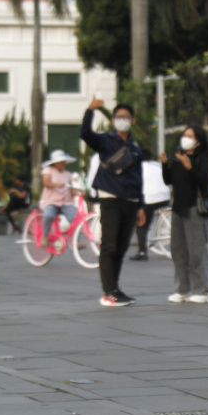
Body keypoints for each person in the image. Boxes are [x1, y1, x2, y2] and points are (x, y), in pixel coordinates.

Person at [80, 97, 146, 307]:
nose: (122, 120)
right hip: (110, 198)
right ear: (113, 120)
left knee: (121, 246)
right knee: (109, 245)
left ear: (133, 120)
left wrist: (141, 204)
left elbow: (138, 177)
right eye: (118, 117)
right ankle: (108, 291)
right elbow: (85, 134)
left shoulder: (134, 148)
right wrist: (90, 111)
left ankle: (115, 288)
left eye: (126, 117)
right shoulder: (105, 141)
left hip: (131, 200)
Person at [161, 125, 208, 304]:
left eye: (190, 136)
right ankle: (183, 289)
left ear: (198, 141)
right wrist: (164, 164)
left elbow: (204, 180)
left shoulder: (201, 158)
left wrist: (189, 167)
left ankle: (203, 291)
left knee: (197, 251)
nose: (186, 138)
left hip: (195, 209)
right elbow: (168, 180)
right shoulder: (178, 157)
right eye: (184, 135)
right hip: (178, 208)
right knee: (178, 251)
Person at [130, 149, 171, 262]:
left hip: (150, 199)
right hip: (165, 197)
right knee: (150, 218)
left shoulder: (138, 168)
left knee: (141, 224)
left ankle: (142, 252)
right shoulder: (156, 165)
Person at [38, 150, 78, 250]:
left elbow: (71, 189)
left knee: (76, 218)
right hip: (51, 201)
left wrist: (77, 193)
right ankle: (45, 236)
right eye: (60, 162)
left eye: (64, 161)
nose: (63, 164)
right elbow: (46, 183)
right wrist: (56, 185)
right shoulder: (48, 170)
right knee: (48, 215)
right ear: (55, 163)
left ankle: (75, 241)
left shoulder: (68, 174)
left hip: (65, 202)